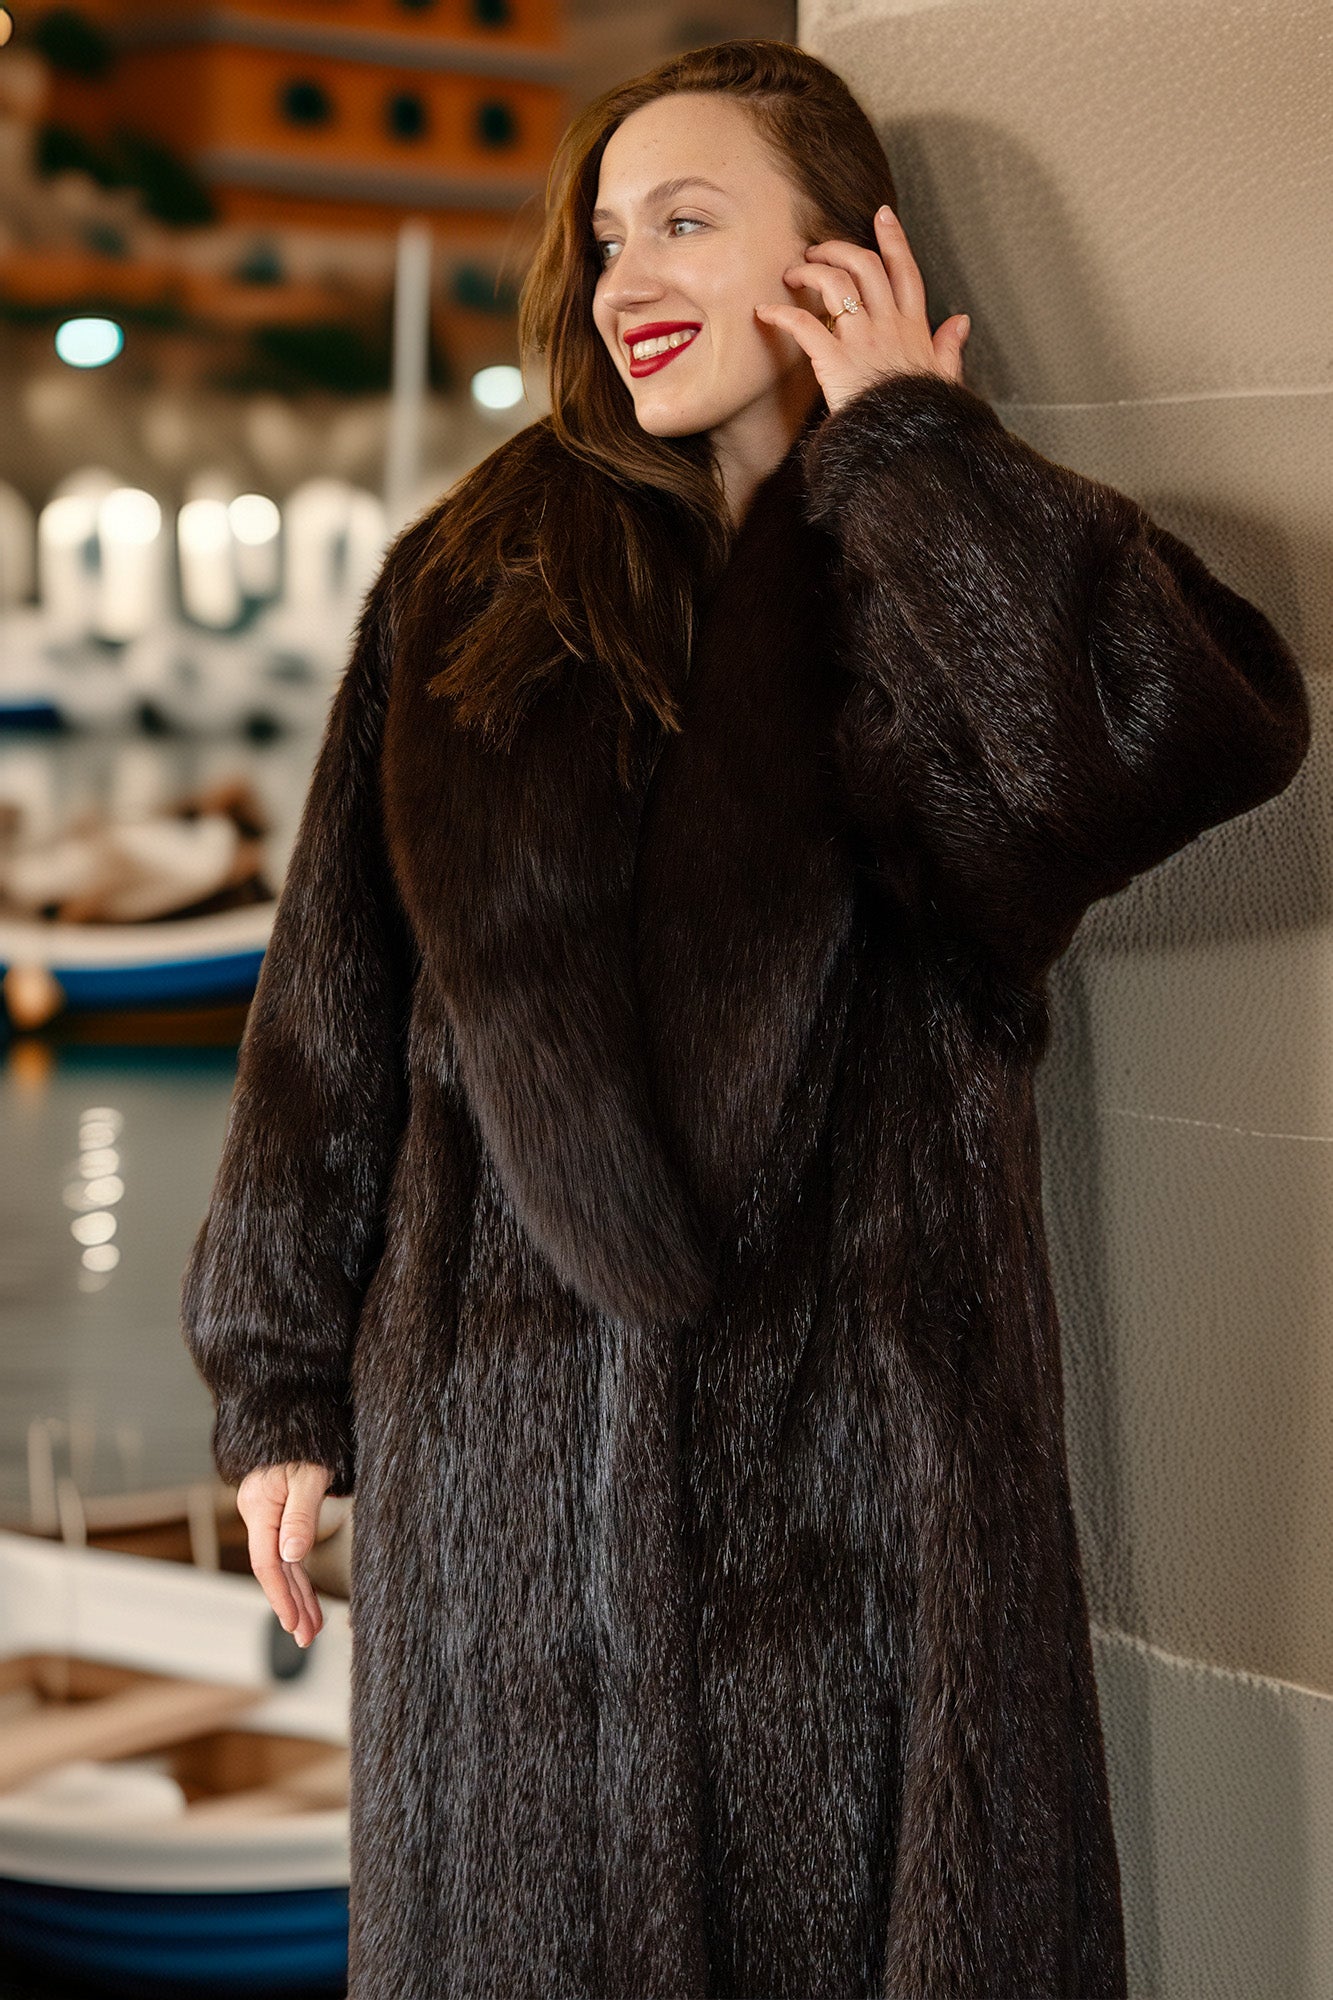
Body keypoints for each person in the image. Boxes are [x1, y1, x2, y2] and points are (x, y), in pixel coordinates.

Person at [181, 38, 1311, 2000]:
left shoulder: (920, 567)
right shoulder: (469, 592)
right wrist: (277, 1386)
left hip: (861, 1504)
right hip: (504, 1510)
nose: (623, 278)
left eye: (687, 221)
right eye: (609, 235)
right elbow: (331, 1006)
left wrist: (909, 451)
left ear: (841, 255)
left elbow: (1165, 745)